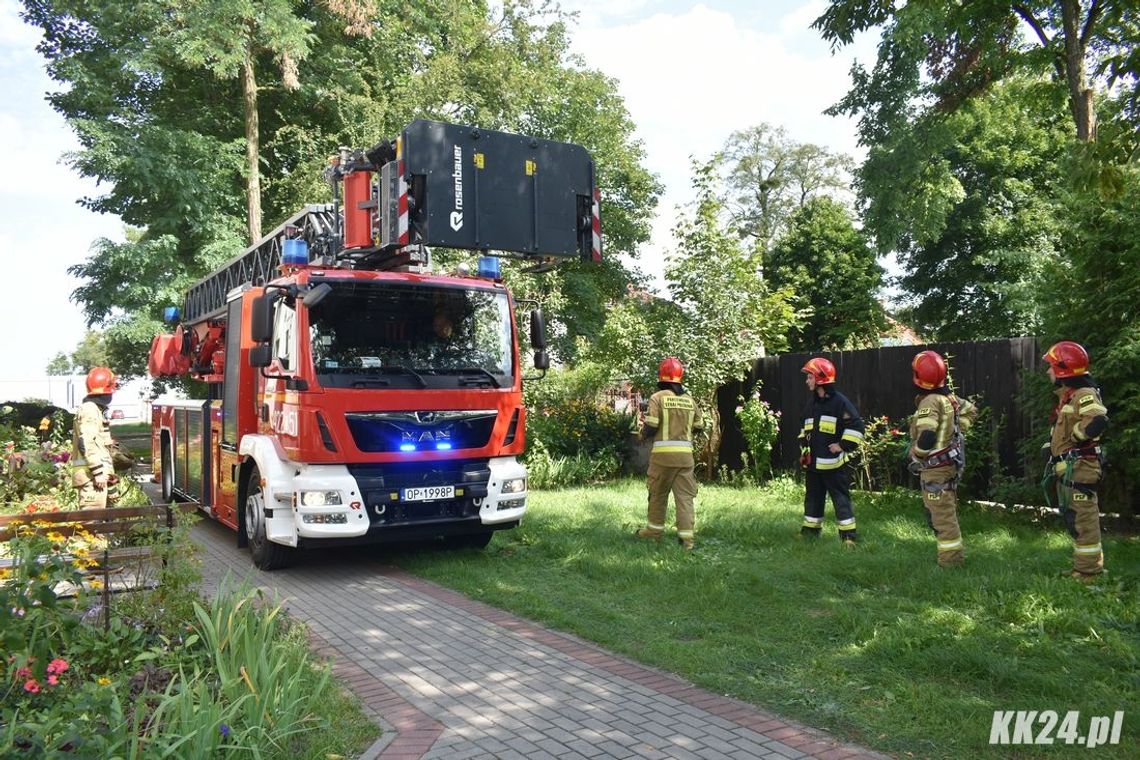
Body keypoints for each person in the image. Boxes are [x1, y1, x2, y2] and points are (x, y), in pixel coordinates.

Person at [1041, 341, 1108, 581]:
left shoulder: (1084, 394)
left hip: (1080, 469)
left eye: (1051, 367)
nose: (1048, 371)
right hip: (1071, 470)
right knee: (1076, 520)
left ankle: (1090, 574)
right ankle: (1082, 568)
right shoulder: (1069, 396)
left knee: (1084, 522)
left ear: (1062, 369)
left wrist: (1078, 436)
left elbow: (1098, 420)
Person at [907, 350, 977, 567]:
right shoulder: (950, 398)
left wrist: (917, 456)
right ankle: (951, 559)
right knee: (942, 512)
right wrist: (957, 430)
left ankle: (951, 563)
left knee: (942, 517)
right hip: (949, 465)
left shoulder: (929, 401)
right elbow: (972, 411)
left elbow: (927, 435)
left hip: (935, 469)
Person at [635, 357, 704, 550]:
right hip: (685, 458)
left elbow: (652, 425)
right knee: (685, 498)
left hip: (662, 458)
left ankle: (653, 532)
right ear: (680, 378)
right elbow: (699, 426)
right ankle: (687, 540)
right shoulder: (690, 401)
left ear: (661, 378)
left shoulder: (658, 398)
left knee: (657, 494)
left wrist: (642, 435)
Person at [797, 357, 865, 544]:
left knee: (840, 500)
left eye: (810, 377)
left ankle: (848, 537)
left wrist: (842, 446)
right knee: (812, 499)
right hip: (813, 465)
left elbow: (856, 427)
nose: (807, 381)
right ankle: (810, 533)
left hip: (833, 465)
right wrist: (804, 448)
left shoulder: (840, 403)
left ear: (820, 379)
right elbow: (804, 427)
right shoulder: (812, 403)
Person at [72, 367, 120, 508]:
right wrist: (98, 473)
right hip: (92, 480)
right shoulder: (90, 409)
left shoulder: (95, 409)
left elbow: (99, 445)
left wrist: (110, 480)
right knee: (91, 525)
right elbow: (85, 443)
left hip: (98, 479)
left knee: (102, 526)